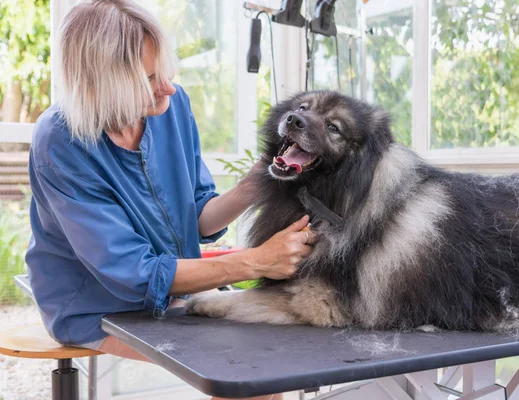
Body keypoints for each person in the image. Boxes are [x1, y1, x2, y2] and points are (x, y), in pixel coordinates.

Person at [25, 1, 315, 399]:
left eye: (165, 71)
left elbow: (198, 218)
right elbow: (132, 272)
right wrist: (257, 260)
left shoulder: (170, 105)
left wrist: (255, 184)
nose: (168, 87)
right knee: (245, 375)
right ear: (98, 86)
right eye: (148, 79)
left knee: (263, 369)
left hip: (177, 291)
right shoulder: (61, 141)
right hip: (97, 307)